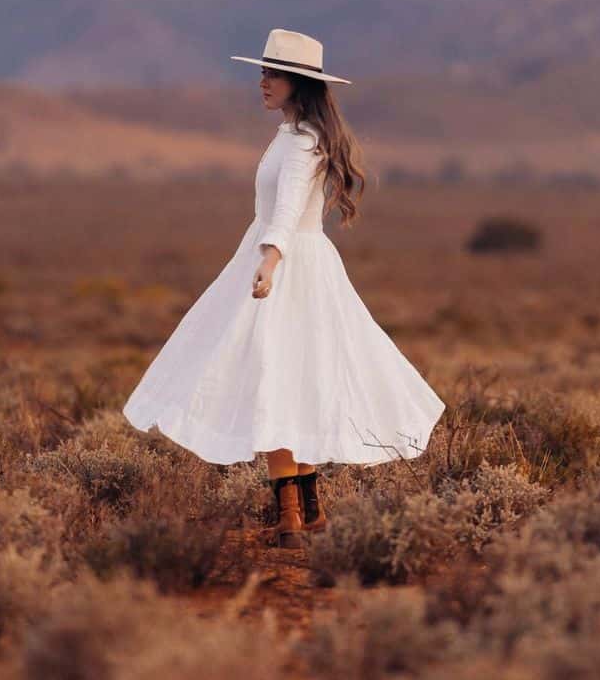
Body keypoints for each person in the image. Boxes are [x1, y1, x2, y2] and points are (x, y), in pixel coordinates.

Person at [122, 27, 447, 548]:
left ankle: (291, 518)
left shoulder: (302, 143)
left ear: (299, 83)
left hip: (287, 265)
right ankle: (308, 512)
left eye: (273, 75)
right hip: (289, 259)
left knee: (276, 381)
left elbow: (291, 205)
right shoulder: (293, 135)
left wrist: (269, 261)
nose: (262, 82)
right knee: (295, 380)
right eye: (262, 72)